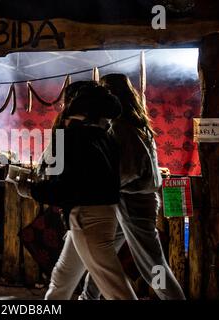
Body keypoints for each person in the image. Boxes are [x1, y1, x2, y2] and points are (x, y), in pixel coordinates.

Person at [18, 81, 137, 300]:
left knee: (115, 287)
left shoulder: (71, 137)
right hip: (101, 214)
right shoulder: (104, 137)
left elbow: (66, 188)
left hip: (87, 217)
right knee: (63, 278)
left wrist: (31, 190)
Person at [80, 73, 186, 300]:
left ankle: (172, 297)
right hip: (130, 201)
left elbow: (128, 171)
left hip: (133, 202)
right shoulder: (134, 122)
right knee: (104, 255)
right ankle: (88, 297)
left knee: (152, 265)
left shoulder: (122, 127)